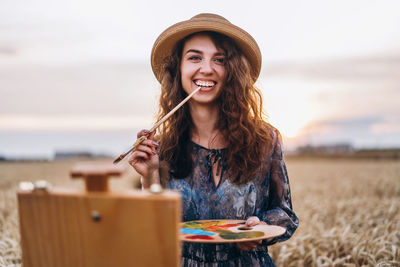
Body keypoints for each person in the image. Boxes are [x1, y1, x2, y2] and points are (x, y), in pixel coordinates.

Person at [129, 13, 298, 267]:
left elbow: (285, 215)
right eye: (195, 57)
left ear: (233, 71)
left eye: (219, 59)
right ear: (179, 68)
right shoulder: (160, 149)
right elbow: (153, 233)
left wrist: (261, 228)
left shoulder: (265, 139)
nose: (206, 68)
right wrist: (149, 177)